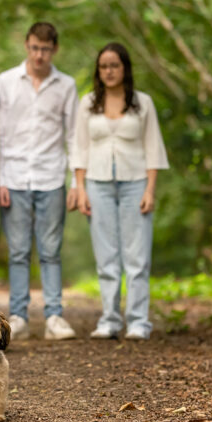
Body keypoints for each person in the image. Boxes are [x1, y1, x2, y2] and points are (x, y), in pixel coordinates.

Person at [71, 42, 168, 341]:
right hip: (97, 184)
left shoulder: (143, 103)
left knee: (137, 257)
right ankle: (110, 320)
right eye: (103, 66)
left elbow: (153, 147)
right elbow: (79, 147)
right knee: (106, 257)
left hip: (135, 183)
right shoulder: (88, 103)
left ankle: (138, 321)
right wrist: (80, 188)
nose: (109, 71)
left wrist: (150, 189)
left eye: (114, 65)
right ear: (98, 71)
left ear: (124, 68)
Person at [0, 22, 78, 341]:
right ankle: (18, 316)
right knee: (17, 251)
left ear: (54, 49)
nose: (39, 54)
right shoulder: (6, 82)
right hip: (13, 177)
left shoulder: (66, 85)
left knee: (50, 250)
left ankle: (55, 316)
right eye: (34, 48)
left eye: (45, 49)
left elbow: (72, 135)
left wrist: (75, 182)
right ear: (26, 46)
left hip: (51, 176)